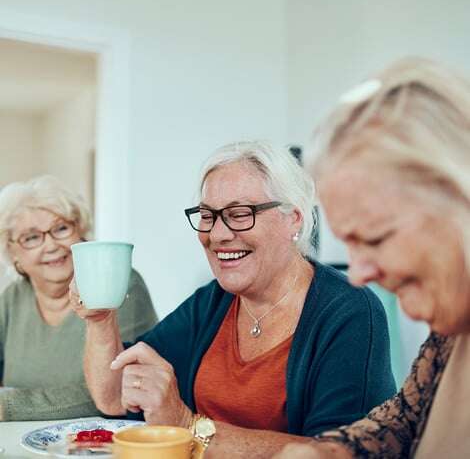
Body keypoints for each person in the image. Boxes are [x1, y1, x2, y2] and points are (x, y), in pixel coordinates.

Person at [72, 141, 395, 458]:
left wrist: (187, 424)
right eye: (208, 215)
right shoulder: (211, 303)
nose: (218, 234)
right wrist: (100, 319)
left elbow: (336, 452)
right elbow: (114, 398)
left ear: (292, 219)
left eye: (240, 214)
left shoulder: (349, 310)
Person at [274, 58, 470, 459]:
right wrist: (328, 453)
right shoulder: (451, 333)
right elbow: (404, 421)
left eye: (376, 238)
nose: (359, 274)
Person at [0, 175, 157, 421]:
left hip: (99, 443)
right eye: (31, 237)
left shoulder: (120, 282)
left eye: (61, 228)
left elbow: (118, 388)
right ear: (13, 253)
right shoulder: (12, 298)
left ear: (81, 232)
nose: (51, 245)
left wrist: (9, 406)